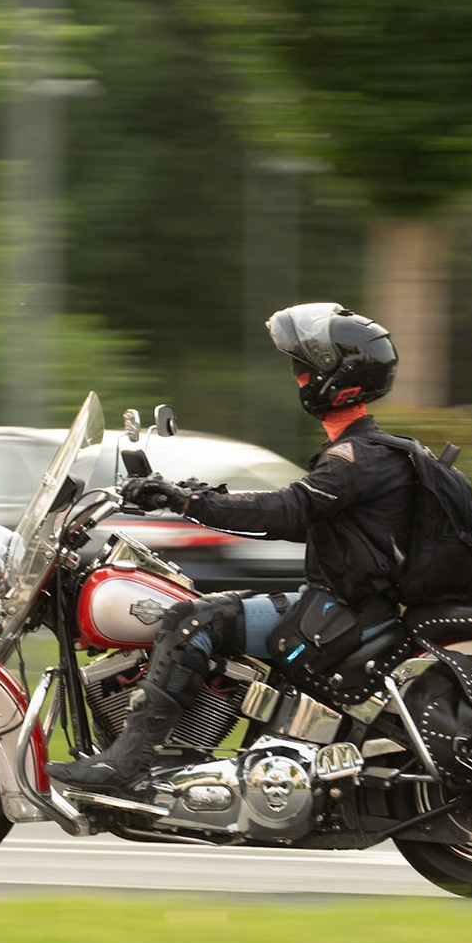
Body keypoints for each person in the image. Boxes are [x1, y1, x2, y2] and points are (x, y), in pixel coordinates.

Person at [47, 301, 416, 792]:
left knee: (190, 620)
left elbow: (286, 510)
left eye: (304, 369)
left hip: (344, 611)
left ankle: (128, 763)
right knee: (205, 608)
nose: (299, 379)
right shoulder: (364, 453)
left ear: (335, 379)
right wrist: (200, 498)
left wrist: (187, 502)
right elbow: (297, 516)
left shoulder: (354, 457)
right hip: (346, 603)